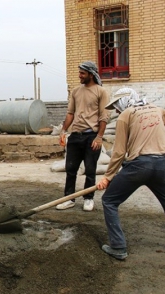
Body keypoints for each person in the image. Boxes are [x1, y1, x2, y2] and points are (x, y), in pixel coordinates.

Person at [96, 87, 165, 260]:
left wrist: (108, 177)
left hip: (138, 166)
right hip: (161, 165)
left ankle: (118, 247)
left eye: (116, 105)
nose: (115, 109)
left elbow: (119, 151)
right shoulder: (157, 110)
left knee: (109, 200)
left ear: (124, 101)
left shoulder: (125, 115)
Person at [56, 61, 110, 211]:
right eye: (79, 72)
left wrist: (99, 137)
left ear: (91, 75)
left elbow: (104, 116)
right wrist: (63, 131)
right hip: (75, 136)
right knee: (70, 169)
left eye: (82, 73)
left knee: (90, 169)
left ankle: (88, 198)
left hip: (91, 137)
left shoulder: (101, 92)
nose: (79, 76)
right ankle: (69, 198)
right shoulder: (75, 91)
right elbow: (70, 113)